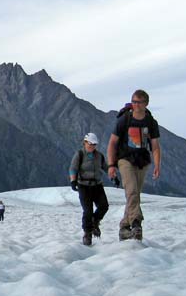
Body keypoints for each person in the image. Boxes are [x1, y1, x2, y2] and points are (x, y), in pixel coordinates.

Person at [106, 89, 161, 241]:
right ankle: (136, 224)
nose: (136, 105)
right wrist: (111, 165)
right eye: (134, 101)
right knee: (132, 192)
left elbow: (155, 146)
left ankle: (124, 227)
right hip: (125, 159)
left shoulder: (151, 122)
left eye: (139, 102)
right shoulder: (124, 120)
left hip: (142, 161)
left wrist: (157, 165)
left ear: (146, 104)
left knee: (134, 195)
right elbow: (112, 143)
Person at [69, 132, 109, 246]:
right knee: (88, 211)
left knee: (104, 206)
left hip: (97, 185)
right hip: (84, 186)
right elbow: (73, 168)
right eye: (90, 144)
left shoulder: (99, 156)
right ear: (85, 142)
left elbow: (106, 168)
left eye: (94, 144)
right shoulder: (79, 154)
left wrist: (114, 176)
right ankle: (87, 233)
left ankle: (95, 221)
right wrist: (73, 181)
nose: (92, 146)